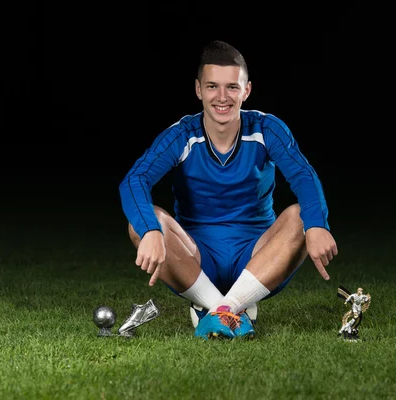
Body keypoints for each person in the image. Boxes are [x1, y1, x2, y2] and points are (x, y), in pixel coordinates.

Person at [119, 40, 338, 340]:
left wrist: (317, 225)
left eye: (232, 87)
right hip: (195, 260)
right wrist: (150, 230)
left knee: (302, 217)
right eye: (212, 87)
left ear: (246, 90)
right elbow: (135, 180)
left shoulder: (266, 129)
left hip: (258, 258)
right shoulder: (183, 134)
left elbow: (303, 176)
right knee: (141, 223)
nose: (222, 97)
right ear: (198, 90)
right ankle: (229, 308)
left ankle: (218, 308)